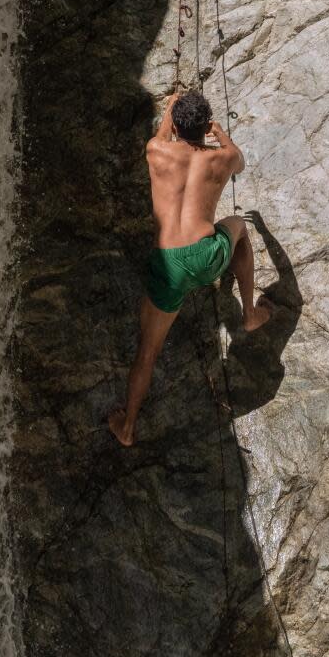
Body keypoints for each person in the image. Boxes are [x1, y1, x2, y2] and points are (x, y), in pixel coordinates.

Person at [109, 90, 271, 447]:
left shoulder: (156, 151)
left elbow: (163, 135)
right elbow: (239, 161)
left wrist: (170, 107)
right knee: (238, 225)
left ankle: (128, 427)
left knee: (147, 351)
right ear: (206, 126)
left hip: (169, 266)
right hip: (206, 258)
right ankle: (249, 313)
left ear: (177, 125)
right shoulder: (223, 157)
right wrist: (220, 133)